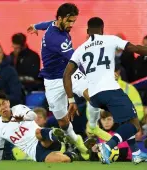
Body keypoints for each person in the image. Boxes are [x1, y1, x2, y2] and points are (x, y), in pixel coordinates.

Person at [27, 3, 111, 159]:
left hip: (70, 73)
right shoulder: (57, 39)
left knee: (93, 95)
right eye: (70, 21)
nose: (72, 25)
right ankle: (77, 140)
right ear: (60, 18)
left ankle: (92, 126)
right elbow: (77, 59)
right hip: (52, 81)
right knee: (63, 123)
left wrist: (35, 26)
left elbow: (47, 24)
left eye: (74, 21)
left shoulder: (55, 25)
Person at [63, 17, 147, 164]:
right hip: (110, 90)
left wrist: (71, 99)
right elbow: (135, 49)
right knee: (134, 124)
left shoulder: (80, 49)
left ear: (88, 31)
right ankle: (108, 146)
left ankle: (136, 152)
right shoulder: (110, 39)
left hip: (93, 97)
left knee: (124, 119)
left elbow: (66, 75)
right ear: (103, 29)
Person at [0, 91, 79, 162]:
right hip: (35, 151)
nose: (3, 107)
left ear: (8, 102)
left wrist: (22, 118)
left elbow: (34, 116)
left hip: (43, 139)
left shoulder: (18, 108)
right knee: (64, 160)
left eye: (4, 103)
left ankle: (57, 135)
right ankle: (72, 153)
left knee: (38, 132)